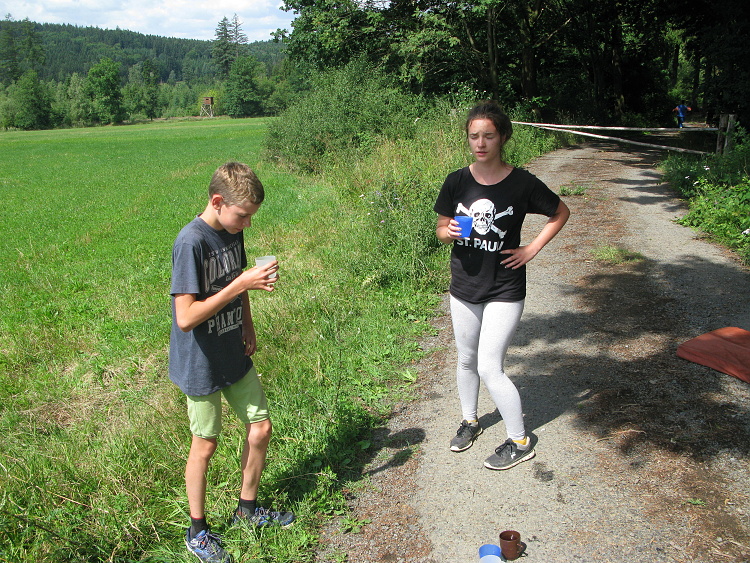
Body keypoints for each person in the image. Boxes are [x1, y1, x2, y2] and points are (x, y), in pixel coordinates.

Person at [433, 101, 570, 471]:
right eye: (474, 136)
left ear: (503, 137)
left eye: (488, 136)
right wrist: (449, 232)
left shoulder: (522, 183)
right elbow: (441, 229)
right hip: (464, 284)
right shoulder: (457, 181)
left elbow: (560, 212)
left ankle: (520, 441)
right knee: (466, 358)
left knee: (490, 366)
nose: (480, 143)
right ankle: (470, 420)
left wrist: (532, 248)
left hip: (505, 287)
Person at [170, 162, 294, 563]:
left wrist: (248, 324)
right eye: (243, 215)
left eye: (251, 217)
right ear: (218, 201)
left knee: (261, 428)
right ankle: (197, 531)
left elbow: (237, 279)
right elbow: (185, 318)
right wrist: (241, 284)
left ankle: (247, 510)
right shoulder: (191, 243)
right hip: (201, 361)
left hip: (232, 348)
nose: (247, 224)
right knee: (205, 445)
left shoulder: (232, 231)